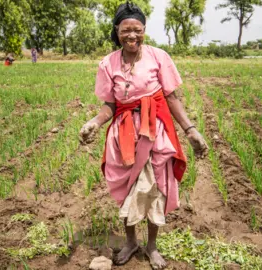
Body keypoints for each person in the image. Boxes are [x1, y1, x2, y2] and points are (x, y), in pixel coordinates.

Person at [79, 2, 208, 269]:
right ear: (117, 31)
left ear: (144, 30)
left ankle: (151, 246)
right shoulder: (108, 63)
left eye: (137, 30)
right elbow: (109, 105)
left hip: (155, 132)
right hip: (123, 135)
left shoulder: (158, 56)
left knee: (155, 189)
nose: (132, 36)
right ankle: (130, 242)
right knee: (128, 189)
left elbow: (171, 98)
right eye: (126, 30)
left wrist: (190, 129)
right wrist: (94, 121)